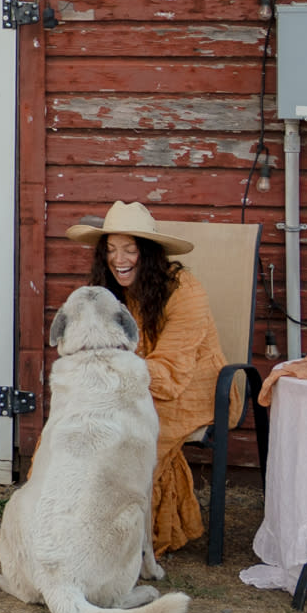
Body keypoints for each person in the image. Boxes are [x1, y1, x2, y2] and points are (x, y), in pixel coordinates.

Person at [64, 199, 224, 555]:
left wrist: (107, 369)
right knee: (76, 423)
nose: (119, 259)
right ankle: (68, 522)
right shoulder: (107, 292)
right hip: (129, 381)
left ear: (148, 253)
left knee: (127, 438)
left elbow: (168, 373)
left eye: (130, 250)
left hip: (190, 385)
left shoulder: (186, 291)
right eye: (111, 250)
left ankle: (110, 539)